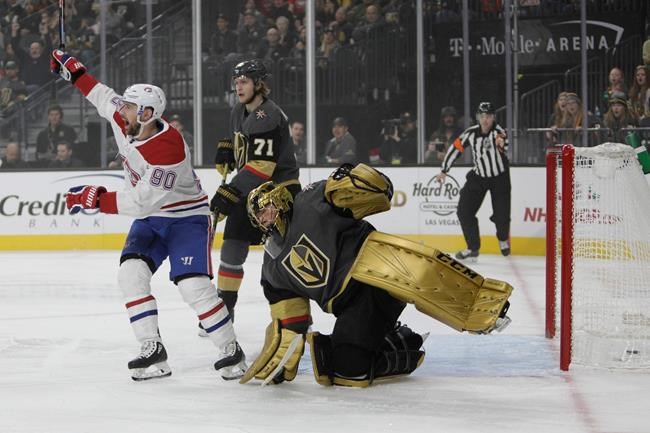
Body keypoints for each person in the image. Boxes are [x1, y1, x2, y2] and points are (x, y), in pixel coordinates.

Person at [50, 49, 247, 381]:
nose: (121, 109)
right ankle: (151, 348)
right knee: (130, 275)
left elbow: (142, 202)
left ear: (146, 113)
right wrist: (73, 70)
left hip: (186, 219)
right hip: (153, 219)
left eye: (129, 106)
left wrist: (98, 199)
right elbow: (102, 96)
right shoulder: (127, 118)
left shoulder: (168, 149)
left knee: (193, 286)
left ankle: (231, 349)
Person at [238, 164, 513, 387]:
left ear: (280, 199)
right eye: (259, 216)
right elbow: (291, 320)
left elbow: (372, 190)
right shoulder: (272, 270)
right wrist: (282, 351)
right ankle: (400, 340)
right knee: (347, 372)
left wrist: (355, 179)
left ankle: (482, 303)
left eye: (266, 209)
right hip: (352, 306)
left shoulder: (310, 200)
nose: (265, 218)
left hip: (377, 271)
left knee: (425, 276)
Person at [208, 59, 300, 331]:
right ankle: (225, 310)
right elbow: (240, 142)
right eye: (236, 82)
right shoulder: (238, 110)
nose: (238, 87)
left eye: (244, 82)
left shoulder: (267, 115)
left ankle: (294, 315)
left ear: (259, 84)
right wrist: (227, 149)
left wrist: (230, 191)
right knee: (232, 245)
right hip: (250, 188)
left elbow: (262, 166)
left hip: (278, 191)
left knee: (278, 256)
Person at [435, 102, 511, 261]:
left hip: (500, 178)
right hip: (478, 177)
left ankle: (503, 238)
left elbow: (504, 145)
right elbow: (455, 148)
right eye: (482, 116)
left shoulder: (499, 132)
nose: (485, 120)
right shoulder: (470, 133)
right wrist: (444, 170)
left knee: (502, 216)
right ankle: (472, 248)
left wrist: (501, 145)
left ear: (493, 117)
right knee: (464, 211)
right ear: (478, 117)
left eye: (488, 116)